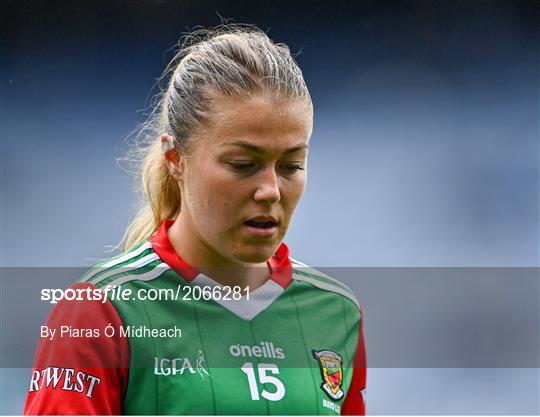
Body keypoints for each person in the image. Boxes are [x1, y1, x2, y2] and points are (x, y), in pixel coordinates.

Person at [24, 25, 366, 415]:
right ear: (176, 159)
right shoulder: (98, 311)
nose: (271, 189)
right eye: (243, 164)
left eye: (291, 165)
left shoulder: (336, 311)